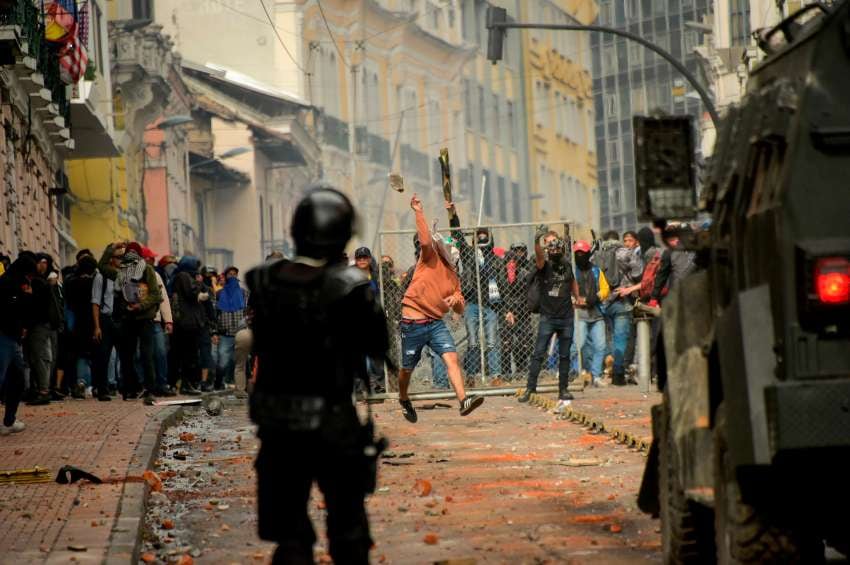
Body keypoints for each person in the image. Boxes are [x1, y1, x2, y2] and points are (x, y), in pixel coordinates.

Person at [248, 185, 389, 564]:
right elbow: (378, 345)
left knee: (290, 534)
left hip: (278, 421)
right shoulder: (351, 287)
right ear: (341, 236)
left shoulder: (263, 281)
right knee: (348, 529)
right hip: (333, 420)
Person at [396, 194, 484, 423]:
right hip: (413, 321)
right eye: (449, 249)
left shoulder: (454, 276)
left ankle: (464, 400)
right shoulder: (429, 257)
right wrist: (418, 211)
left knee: (451, 359)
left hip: (435, 323)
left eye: (454, 252)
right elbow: (425, 240)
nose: (452, 253)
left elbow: (460, 309)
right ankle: (404, 398)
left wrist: (457, 303)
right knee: (406, 369)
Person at [519, 229, 579, 410]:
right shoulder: (544, 265)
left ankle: (563, 389)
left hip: (566, 316)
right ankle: (530, 388)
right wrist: (537, 240)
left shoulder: (567, 265)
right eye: (550, 248)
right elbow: (539, 256)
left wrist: (578, 296)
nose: (554, 251)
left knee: (565, 355)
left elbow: (572, 281)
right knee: (538, 353)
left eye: (556, 248)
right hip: (548, 317)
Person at [450, 215, 510, 383]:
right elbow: (458, 236)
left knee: (492, 342)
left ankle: (495, 376)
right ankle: (471, 376)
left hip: (491, 306)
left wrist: (506, 310)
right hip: (472, 304)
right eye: (479, 235)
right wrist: (453, 215)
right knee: (473, 343)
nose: (482, 238)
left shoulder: (497, 261)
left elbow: (503, 287)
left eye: (485, 235)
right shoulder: (469, 256)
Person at [113, 243, 162, 402]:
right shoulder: (121, 271)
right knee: (127, 355)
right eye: (129, 252)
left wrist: (139, 306)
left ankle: (149, 389)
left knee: (146, 355)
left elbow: (155, 294)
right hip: (127, 318)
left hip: (145, 318)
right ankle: (130, 388)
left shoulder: (147, 269)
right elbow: (119, 294)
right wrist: (111, 248)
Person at [0, 256, 37, 435]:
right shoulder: (7, 284)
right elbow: (12, 309)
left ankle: (9, 420)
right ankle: (8, 421)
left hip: (13, 338)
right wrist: (25, 297)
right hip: (4, 336)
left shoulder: (17, 282)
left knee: (18, 379)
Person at [24, 253, 63, 405]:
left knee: (41, 357)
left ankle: (43, 390)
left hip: (41, 325)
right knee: (44, 357)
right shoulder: (46, 283)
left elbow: (35, 305)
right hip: (48, 324)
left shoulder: (38, 283)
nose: (44, 266)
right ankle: (42, 389)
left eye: (45, 263)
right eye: (41, 262)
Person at [571, 240, 609, 387]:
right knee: (577, 346)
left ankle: (596, 376)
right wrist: (575, 300)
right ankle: (573, 372)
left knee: (600, 346)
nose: (580, 256)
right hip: (579, 314)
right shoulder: (572, 271)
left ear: (588, 254)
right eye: (577, 253)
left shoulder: (596, 270)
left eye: (583, 253)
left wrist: (597, 297)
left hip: (596, 313)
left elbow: (605, 288)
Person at [92, 242, 125, 401]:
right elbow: (95, 302)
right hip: (106, 319)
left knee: (125, 356)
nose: (121, 261)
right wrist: (97, 326)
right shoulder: (102, 276)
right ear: (111, 259)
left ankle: (127, 388)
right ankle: (103, 389)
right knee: (104, 356)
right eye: (118, 257)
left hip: (122, 320)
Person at [170, 256, 207, 395]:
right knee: (188, 355)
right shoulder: (183, 275)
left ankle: (184, 384)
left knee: (185, 355)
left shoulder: (181, 276)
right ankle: (185, 385)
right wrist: (199, 283)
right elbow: (192, 294)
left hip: (187, 323)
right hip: (186, 324)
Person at [142, 247, 176, 397]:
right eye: (150, 258)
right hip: (139, 321)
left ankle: (162, 384)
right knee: (143, 355)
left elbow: (163, 299)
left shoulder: (155, 275)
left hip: (155, 321)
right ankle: (147, 385)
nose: (152, 260)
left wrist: (168, 320)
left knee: (161, 353)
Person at [502, 243, 534, 379]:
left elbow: (528, 294)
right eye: (515, 252)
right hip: (506, 311)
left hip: (523, 311)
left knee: (524, 343)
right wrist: (507, 311)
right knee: (505, 344)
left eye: (521, 251)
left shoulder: (525, 272)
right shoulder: (501, 274)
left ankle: (521, 372)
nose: (512, 262)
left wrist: (520, 311)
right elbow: (501, 294)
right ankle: (506, 375)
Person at [215, 266, 248, 391]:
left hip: (241, 332)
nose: (232, 276)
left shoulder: (244, 293)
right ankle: (218, 384)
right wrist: (215, 331)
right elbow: (214, 313)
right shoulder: (219, 294)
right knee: (222, 362)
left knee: (243, 361)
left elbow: (247, 311)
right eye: (230, 274)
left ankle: (242, 386)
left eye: (235, 274)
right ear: (225, 276)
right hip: (225, 333)